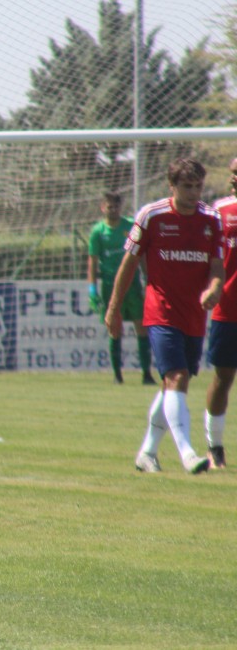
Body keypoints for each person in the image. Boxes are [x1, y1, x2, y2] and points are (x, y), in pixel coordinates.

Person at [105, 157, 223, 475]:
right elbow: (128, 264)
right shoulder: (151, 216)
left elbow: (216, 266)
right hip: (160, 312)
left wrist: (214, 288)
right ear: (172, 187)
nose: (194, 193)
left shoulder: (211, 220)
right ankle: (187, 454)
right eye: (187, 186)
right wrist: (114, 308)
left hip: (194, 316)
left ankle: (147, 452)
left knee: (171, 385)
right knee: (177, 378)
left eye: (198, 186)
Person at [87, 192, 156, 385]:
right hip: (110, 286)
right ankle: (117, 375)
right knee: (114, 328)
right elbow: (92, 262)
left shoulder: (129, 227)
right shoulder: (98, 232)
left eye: (116, 206)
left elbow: (141, 254)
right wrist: (92, 288)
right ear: (103, 208)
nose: (113, 210)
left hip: (132, 285)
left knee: (141, 326)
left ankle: (146, 374)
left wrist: (147, 277)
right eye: (109, 207)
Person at [203, 156, 237, 469]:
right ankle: (215, 447)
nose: (234, 178)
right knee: (223, 377)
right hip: (228, 309)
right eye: (233, 173)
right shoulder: (219, 211)